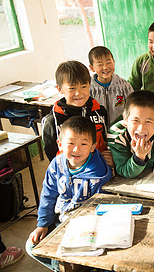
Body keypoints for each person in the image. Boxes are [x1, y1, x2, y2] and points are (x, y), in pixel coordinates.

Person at [26, 116, 113, 270]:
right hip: (60, 220)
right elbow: (48, 194)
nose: (76, 149)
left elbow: (102, 206)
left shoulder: (98, 172)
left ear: (93, 147)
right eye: (70, 143)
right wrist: (43, 224)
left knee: (94, 257)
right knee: (31, 247)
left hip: (86, 225)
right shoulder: (56, 165)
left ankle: (69, 266)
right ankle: (64, 266)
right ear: (60, 144)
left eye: (83, 144)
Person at [42, 60, 113, 167]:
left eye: (83, 87)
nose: (78, 93)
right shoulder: (53, 121)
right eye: (72, 88)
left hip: (98, 169)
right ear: (60, 89)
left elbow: (105, 141)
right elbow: (52, 155)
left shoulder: (100, 111)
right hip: (71, 174)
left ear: (90, 84)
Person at [108, 90, 154, 178]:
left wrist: (140, 157)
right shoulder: (116, 136)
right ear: (125, 119)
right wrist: (140, 157)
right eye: (135, 121)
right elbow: (123, 170)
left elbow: (149, 169)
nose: (141, 128)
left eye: (148, 121)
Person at [89, 46, 134, 126]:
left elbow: (132, 107)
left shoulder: (124, 86)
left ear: (114, 62)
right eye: (100, 64)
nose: (105, 67)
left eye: (109, 62)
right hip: (97, 130)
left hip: (119, 129)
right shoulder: (89, 88)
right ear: (92, 68)